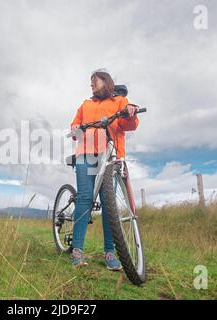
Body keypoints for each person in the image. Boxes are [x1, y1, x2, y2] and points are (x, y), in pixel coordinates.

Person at [69, 68, 139, 269]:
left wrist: (131, 112)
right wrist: (76, 130)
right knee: (84, 199)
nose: (91, 84)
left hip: (110, 157)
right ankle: (77, 251)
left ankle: (110, 252)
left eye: (95, 81)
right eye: (90, 82)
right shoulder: (86, 104)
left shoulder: (118, 101)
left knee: (109, 204)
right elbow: (75, 126)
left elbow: (130, 125)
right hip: (86, 155)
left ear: (106, 83)